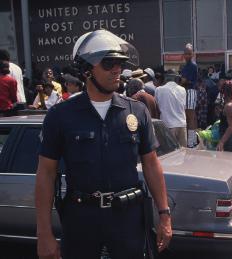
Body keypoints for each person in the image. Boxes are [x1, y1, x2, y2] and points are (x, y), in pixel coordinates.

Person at [35, 30, 172, 259]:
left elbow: (151, 165)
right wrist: (44, 234)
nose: (117, 69)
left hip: (128, 219)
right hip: (81, 220)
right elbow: (46, 173)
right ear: (87, 70)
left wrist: (165, 215)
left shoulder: (136, 111)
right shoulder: (60, 116)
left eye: (119, 63)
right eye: (109, 63)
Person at [156, 70, 187, 147]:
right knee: (182, 154)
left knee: (169, 155)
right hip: (181, 125)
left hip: (167, 126)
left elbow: (157, 108)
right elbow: (184, 107)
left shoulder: (159, 89)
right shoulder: (183, 89)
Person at [216, 80, 232, 152]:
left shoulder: (229, 106)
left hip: (231, 140)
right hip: (230, 138)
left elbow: (231, 126)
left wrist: (222, 142)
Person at [181, 43, 199, 148]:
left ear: (192, 54)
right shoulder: (185, 66)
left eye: (189, 53)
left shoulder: (193, 65)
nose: (187, 55)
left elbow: (186, 80)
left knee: (190, 118)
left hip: (191, 91)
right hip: (184, 91)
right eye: (186, 54)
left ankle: (191, 142)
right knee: (187, 118)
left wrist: (182, 80)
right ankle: (190, 140)